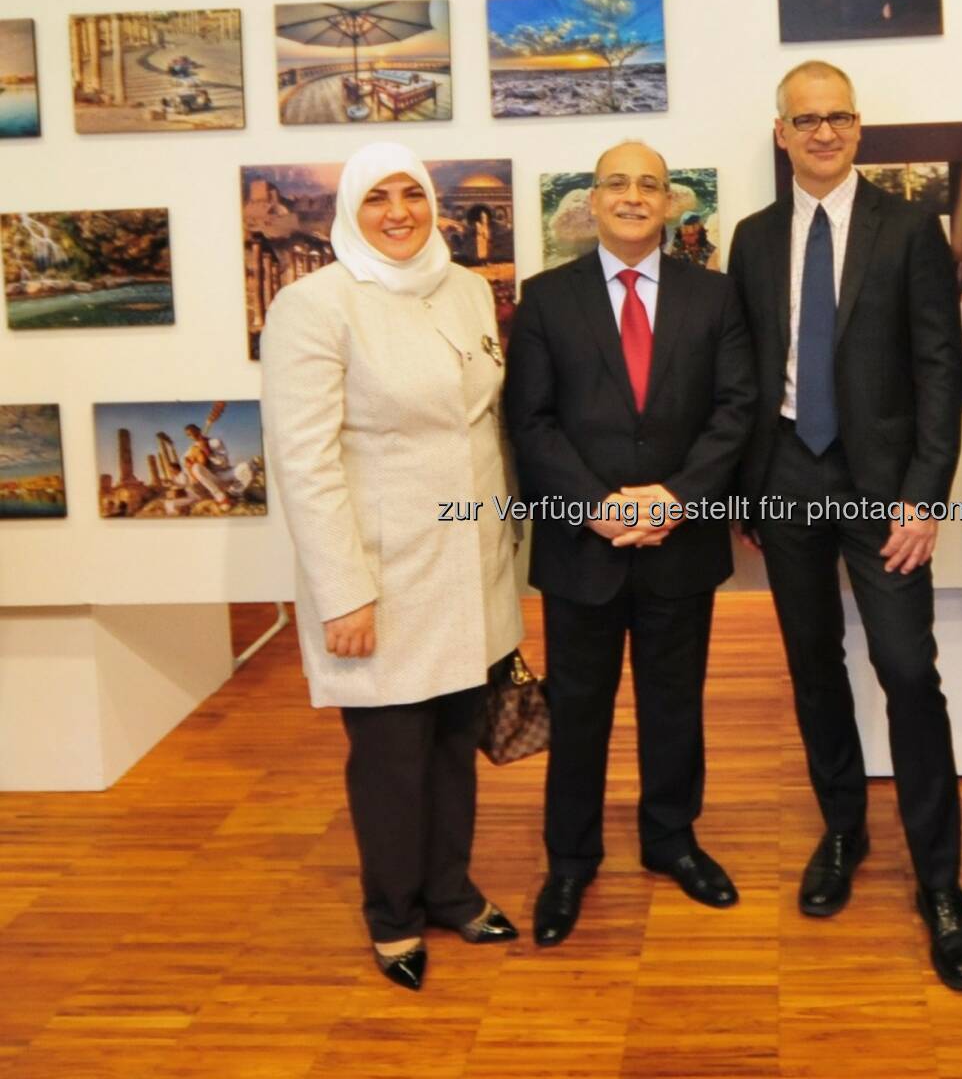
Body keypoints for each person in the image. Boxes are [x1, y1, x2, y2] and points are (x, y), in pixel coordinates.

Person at [728, 61, 962, 994]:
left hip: (882, 488)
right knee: (811, 664)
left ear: (859, 127)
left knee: (908, 670)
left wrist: (924, 496)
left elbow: (938, 370)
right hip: (787, 475)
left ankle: (941, 883)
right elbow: (746, 376)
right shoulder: (752, 240)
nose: (823, 132)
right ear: (781, 134)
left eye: (838, 116)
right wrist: (748, 490)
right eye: (806, 119)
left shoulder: (910, 229)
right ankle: (842, 827)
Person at [261, 141, 525, 992]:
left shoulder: (468, 290)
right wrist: (345, 592)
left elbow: (486, 428)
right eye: (379, 197)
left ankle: (450, 890)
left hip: (471, 558)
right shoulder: (315, 306)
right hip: (382, 574)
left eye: (414, 193)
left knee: (456, 743)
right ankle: (394, 918)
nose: (400, 212)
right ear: (352, 210)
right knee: (390, 756)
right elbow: (305, 465)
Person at [503, 140, 756, 948]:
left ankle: (671, 840)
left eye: (651, 185)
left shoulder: (715, 297)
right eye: (618, 183)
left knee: (674, 707)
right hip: (584, 547)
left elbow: (735, 409)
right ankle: (571, 860)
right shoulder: (544, 299)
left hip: (680, 541)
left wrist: (676, 498)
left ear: (670, 204)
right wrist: (596, 506)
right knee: (578, 712)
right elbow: (530, 421)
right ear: (593, 201)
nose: (634, 197)